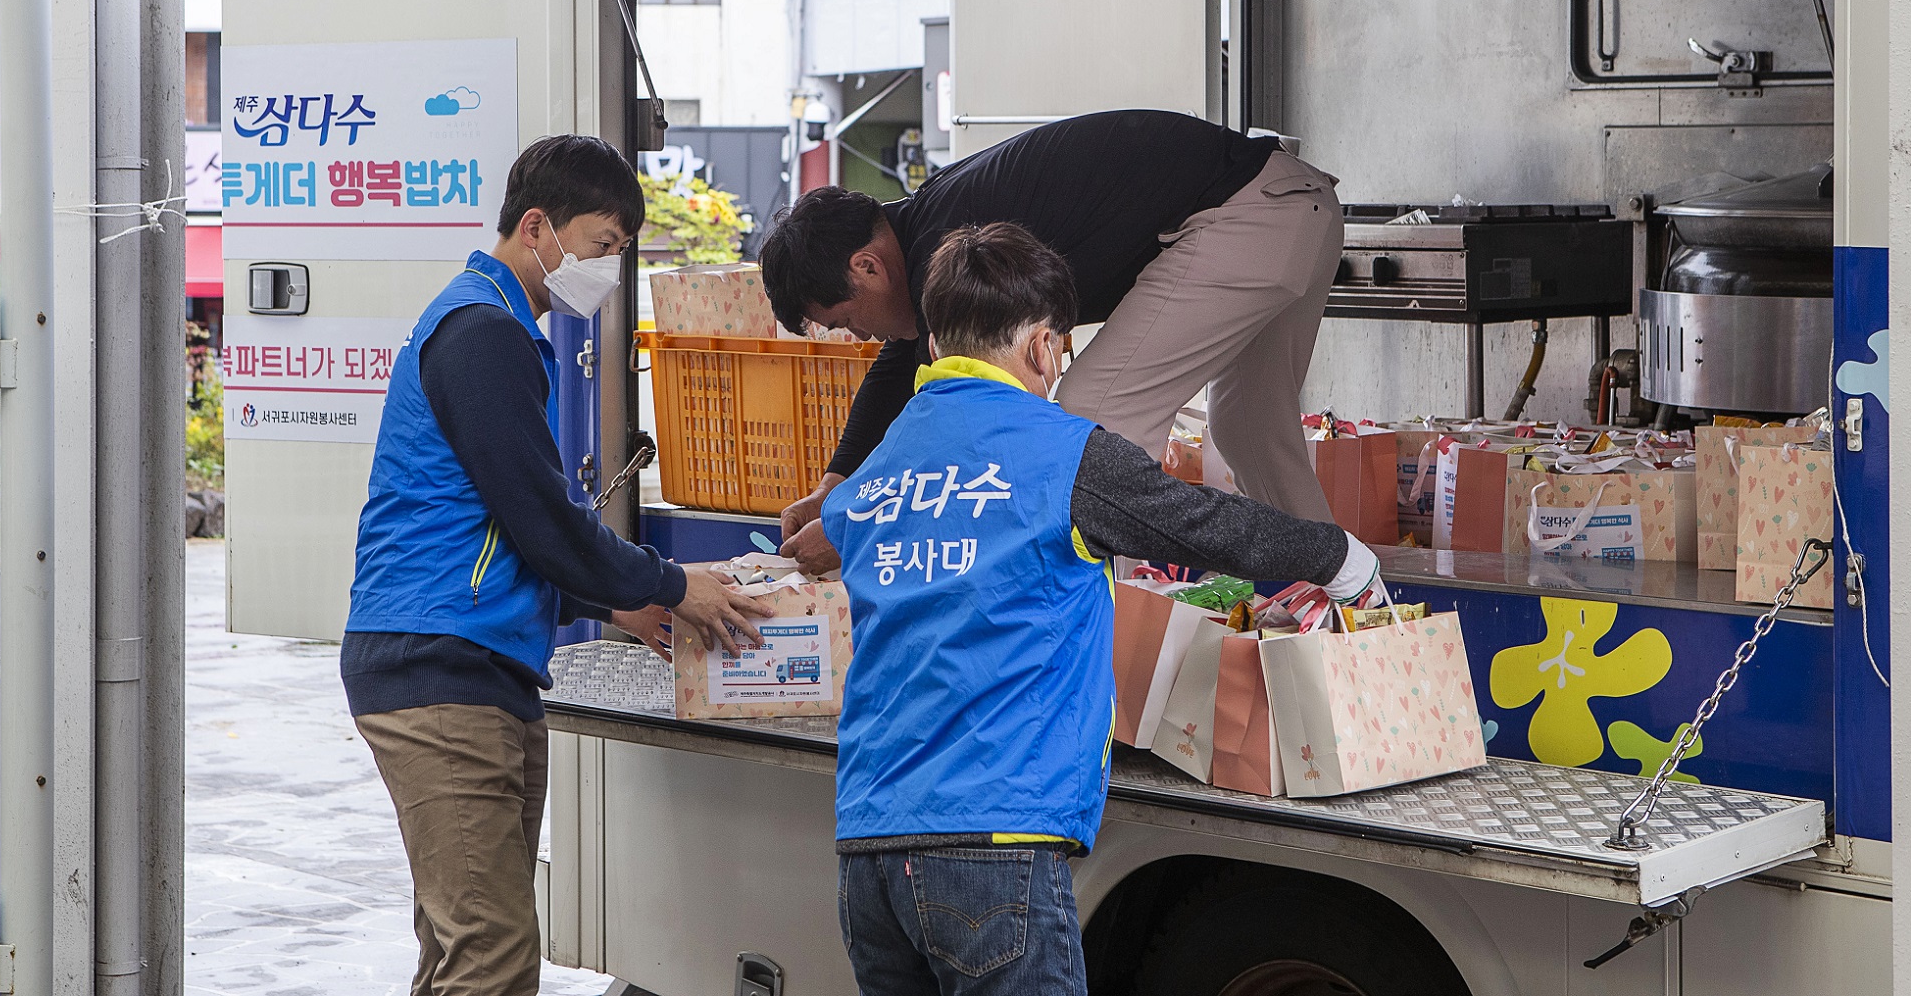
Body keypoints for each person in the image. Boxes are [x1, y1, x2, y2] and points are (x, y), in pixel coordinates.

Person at [825, 223, 1377, 996]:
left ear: (934, 342)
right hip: (994, 841)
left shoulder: (878, 469)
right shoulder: (1064, 454)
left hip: (868, 850)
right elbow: (1203, 523)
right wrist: (1336, 556)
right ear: (1045, 347)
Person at [340, 134, 770, 996]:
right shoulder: (481, 333)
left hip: (470, 664)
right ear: (537, 226)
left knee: (465, 952)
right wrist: (671, 583)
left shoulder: (490, 325)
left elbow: (500, 525)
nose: (606, 271)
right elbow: (541, 520)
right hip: (439, 665)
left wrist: (618, 605)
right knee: (493, 956)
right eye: (602, 246)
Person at [761, 110, 1343, 571]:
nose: (857, 335)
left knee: (1094, 414)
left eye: (842, 320)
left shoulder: (942, 243)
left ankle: (1115, 632)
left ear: (866, 268)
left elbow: (948, 421)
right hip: (1294, 206)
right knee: (1249, 428)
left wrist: (854, 527)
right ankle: (1340, 600)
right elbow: (898, 374)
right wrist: (835, 490)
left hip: (1246, 216)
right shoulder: (925, 226)